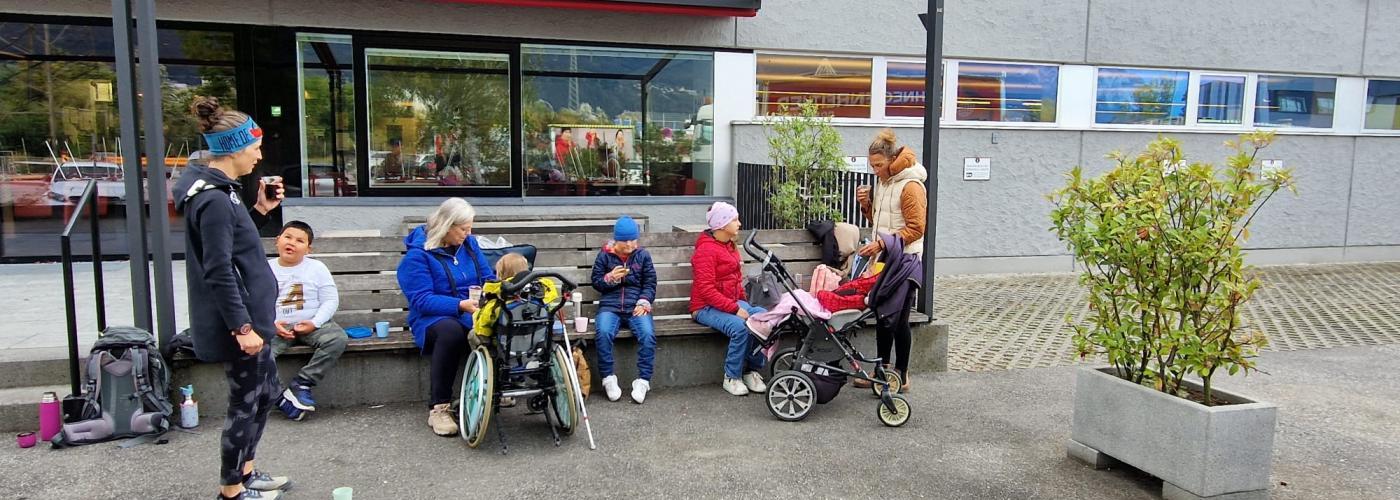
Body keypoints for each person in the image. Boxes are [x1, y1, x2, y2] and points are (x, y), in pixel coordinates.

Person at [173, 96, 290, 500]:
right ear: (236, 149)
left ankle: (247, 471)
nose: (259, 155)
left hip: (253, 319)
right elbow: (219, 269)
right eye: (255, 148)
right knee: (246, 404)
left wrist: (260, 210)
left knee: (262, 396)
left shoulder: (224, 191)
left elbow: (236, 248)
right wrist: (242, 327)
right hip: (240, 326)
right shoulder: (214, 199)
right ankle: (232, 490)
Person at [397, 198, 496, 437]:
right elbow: (421, 300)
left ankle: (495, 389)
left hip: (470, 309)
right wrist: (459, 305)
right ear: (448, 226)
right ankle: (438, 408)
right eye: (464, 229)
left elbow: (488, 277)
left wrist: (495, 294)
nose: (469, 233)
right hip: (432, 318)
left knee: (501, 320)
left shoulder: (470, 245)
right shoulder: (418, 256)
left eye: (470, 228)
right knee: (450, 332)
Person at [854, 128, 929, 393]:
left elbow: (917, 228)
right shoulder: (884, 183)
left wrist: (882, 243)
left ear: (892, 160)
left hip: (905, 260)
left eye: (879, 165)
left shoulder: (910, 186)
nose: (875, 170)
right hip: (884, 258)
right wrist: (866, 205)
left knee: (898, 319)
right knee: (882, 314)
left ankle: (902, 374)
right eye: (872, 165)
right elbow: (878, 223)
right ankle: (881, 370)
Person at [267, 220, 347, 422]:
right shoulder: (265, 269)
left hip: (311, 323)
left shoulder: (316, 268)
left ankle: (303, 382)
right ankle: (280, 397)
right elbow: (254, 301)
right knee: (259, 353)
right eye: (288, 237)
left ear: (308, 249)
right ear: (277, 241)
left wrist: (315, 322)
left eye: (300, 240)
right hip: (277, 326)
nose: (292, 243)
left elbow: (330, 299)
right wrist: (270, 324)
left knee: (337, 339)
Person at [689, 202, 768, 396]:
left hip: (728, 302)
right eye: (735, 220)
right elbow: (706, 290)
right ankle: (731, 376)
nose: (739, 223)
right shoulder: (706, 251)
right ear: (723, 225)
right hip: (705, 307)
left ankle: (750, 370)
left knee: (764, 318)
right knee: (741, 327)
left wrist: (745, 305)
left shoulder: (729, 245)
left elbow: (735, 280)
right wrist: (735, 309)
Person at [590, 216, 657, 404]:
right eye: (625, 240)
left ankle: (643, 381)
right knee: (603, 332)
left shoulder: (643, 256)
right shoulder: (605, 255)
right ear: (616, 240)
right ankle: (608, 378)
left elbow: (650, 283)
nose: (629, 244)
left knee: (647, 334)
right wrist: (610, 278)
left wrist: (644, 301)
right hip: (610, 305)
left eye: (633, 240)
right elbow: (596, 282)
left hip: (636, 305)